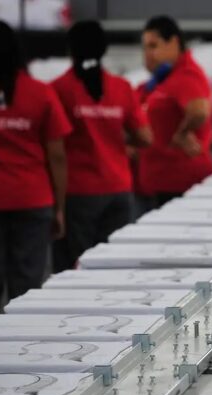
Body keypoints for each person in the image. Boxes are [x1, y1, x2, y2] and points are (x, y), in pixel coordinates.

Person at [0, 21, 71, 329]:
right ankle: (23, 343)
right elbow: (57, 155)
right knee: (27, 282)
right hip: (31, 197)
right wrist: (60, 207)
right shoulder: (40, 92)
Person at [50, 21, 152, 272]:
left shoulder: (58, 89)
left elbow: (53, 146)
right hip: (118, 189)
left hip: (77, 193)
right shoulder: (121, 88)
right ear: (104, 50)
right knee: (112, 268)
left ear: (70, 50)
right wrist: (116, 141)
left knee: (74, 270)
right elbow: (145, 138)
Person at [135, 16, 212, 213]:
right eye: (145, 48)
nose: (148, 54)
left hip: (178, 184)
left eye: (153, 46)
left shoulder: (186, 75)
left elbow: (199, 111)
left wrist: (182, 133)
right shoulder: (161, 79)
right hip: (159, 181)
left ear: (174, 42)